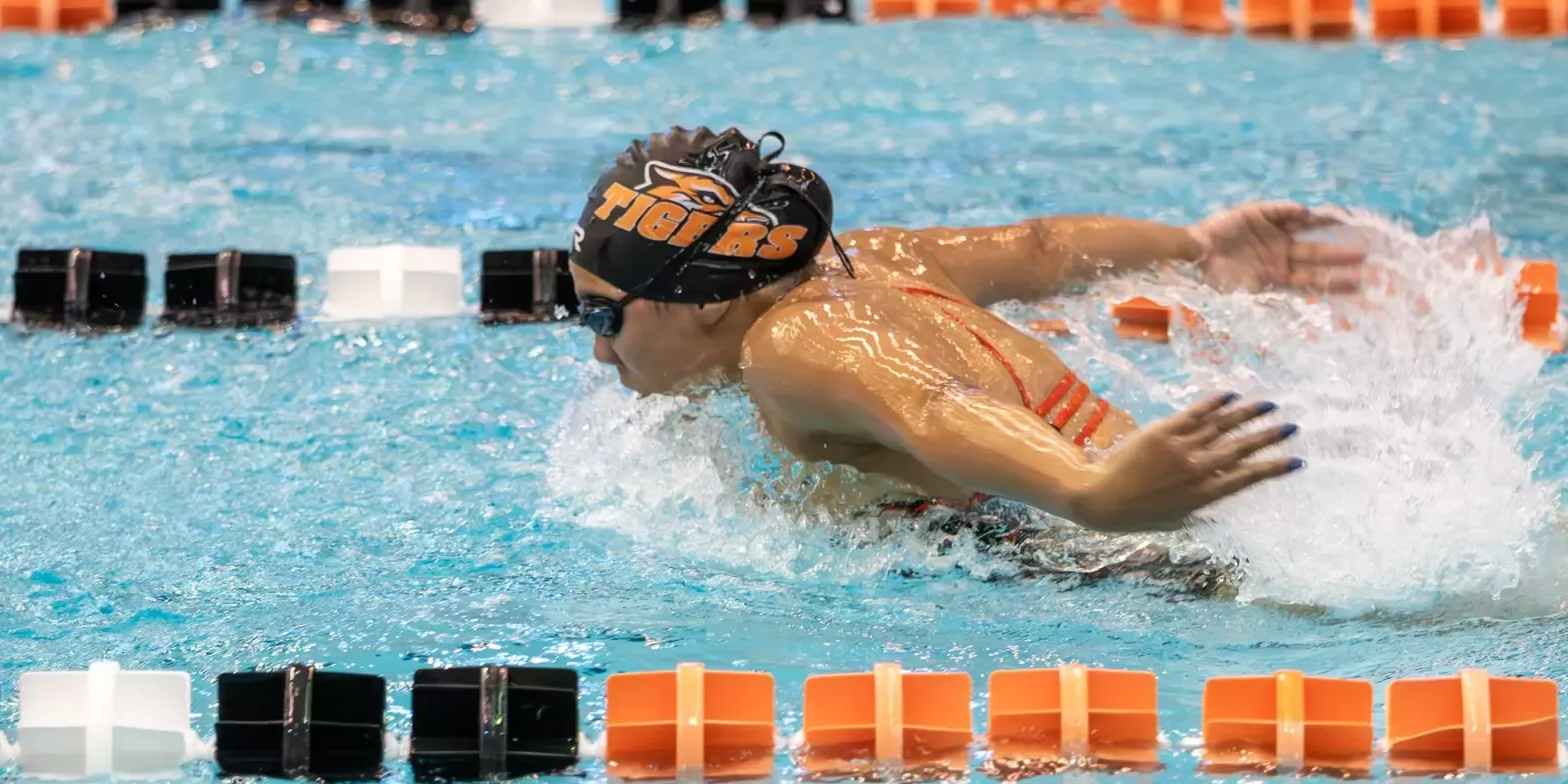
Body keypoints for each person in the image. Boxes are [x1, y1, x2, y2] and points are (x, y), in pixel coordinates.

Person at [568, 126, 1365, 534]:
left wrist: (1090, 491)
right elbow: (1041, 246)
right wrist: (1194, 247)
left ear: (706, 299)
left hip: (1129, 557)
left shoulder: (790, 348)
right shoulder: (872, 260)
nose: (599, 348)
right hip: (1192, 525)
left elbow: (936, 405)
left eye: (606, 314)